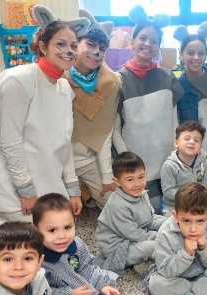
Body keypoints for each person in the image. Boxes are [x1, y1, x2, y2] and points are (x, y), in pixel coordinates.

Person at [0, 6, 89, 224]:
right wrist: (25, 189)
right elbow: (10, 140)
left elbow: (65, 141)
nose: (68, 50)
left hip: (47, 177)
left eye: (73, 46)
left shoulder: (64, 88)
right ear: (43, 46)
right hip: (15, 186)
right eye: (60, 44)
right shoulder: (19, 80)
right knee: (28, 246)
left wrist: (72, 187)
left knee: (59, 237)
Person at [33, 193, 157, 295]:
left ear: (75, 223)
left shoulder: (76, 245)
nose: (62, 236)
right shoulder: (36, 262)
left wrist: (102, 286)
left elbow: (88, 268)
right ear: (36, 230)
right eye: (52, 230)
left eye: (67, 227)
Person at [115, 5, 184, 210]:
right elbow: (115, 126)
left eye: (154, 41)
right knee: (145, 211)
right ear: (132, 41)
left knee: (170, 209)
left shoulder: (167, 76)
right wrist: (125, 160)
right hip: (135, 164)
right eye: (143, 38)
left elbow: (174, 118)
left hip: (165, 158)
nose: (148, 44)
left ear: (159, 46)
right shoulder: (118, 79)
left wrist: (175, 149)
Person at [67, 10, 121, 210]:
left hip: (88, 160)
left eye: (102, 48)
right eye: (90, 44)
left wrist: (107, 176)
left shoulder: (110, 83)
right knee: (59, 214)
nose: (96, 52)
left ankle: (87, 193)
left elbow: (104, 132)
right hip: (59, 163)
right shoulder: (59, 78)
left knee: (111, 205)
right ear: (76, 44)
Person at [95, 152, 167, 273]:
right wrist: (164, 235)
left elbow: (151, 218)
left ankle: (143, 260)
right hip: (119, 247)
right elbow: (134, 235)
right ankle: (141, 261)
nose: (138, 184)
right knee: (154, 246)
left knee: (167, 226)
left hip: (136, 235)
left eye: (141, 177)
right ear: (117, 182)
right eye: (130, 179)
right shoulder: (117, 205)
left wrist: (170, 224)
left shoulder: (142, 194)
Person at [173, 21, 207, 158]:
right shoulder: (177, 86)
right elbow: (179, 125)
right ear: (182, 55)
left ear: (205, 55)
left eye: (201, 53)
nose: (196, 57)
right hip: (201, 149)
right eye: (190, 53)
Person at [161, 121, 207, 216]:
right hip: (174, 208)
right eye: (186, 138)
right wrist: (193, 196)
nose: (191, 142)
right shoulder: (169, 165)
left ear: (201, 146)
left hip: (199, 207)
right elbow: (168, 192)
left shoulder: (204, 163)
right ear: (176, 143)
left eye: (197, 140)